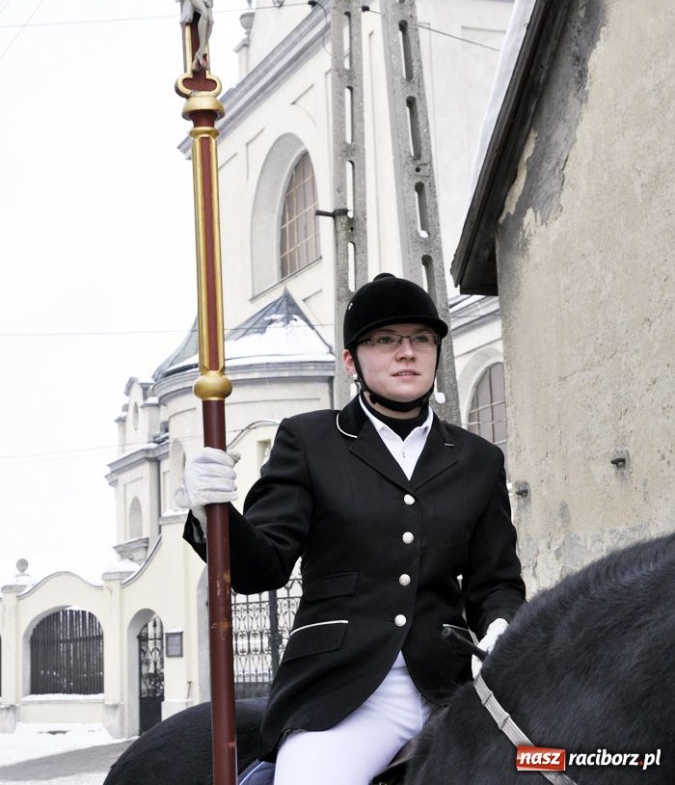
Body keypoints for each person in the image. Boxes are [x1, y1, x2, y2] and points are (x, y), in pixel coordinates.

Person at [182, 273, 525, 785]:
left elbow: (495, 582)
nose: (406, 353)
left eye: (421, 339)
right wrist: (212, 512)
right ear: (351, 362)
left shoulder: (478, 460)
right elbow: (262, 567)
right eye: (384, 340)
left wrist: (503, 625)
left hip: (452, 688)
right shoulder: (309, 441)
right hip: (342, 693)